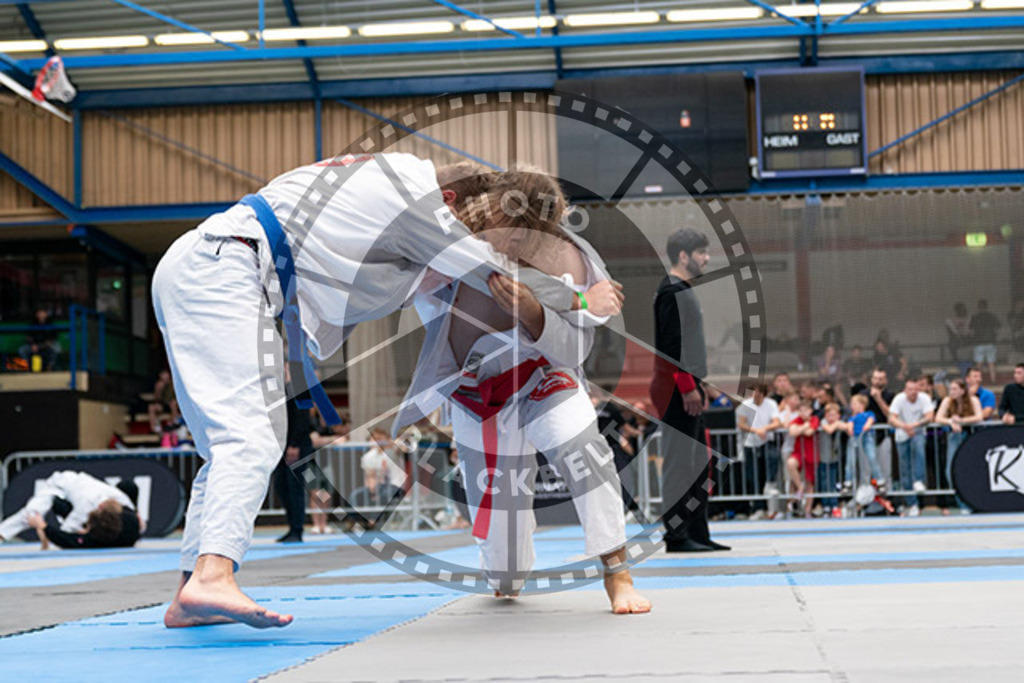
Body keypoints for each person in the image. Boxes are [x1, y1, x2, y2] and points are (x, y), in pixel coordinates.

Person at [152, 153, 624, 629]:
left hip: (204, 264)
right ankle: (212, 575)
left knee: (227, 447)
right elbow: (492, 268)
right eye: (466, 219)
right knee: (250, 439)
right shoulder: (419, 203)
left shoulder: (386, 170)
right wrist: (580, 298)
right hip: (227, 270)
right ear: (449, 200)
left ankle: (189, 590)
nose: (466, 229)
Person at [396, 166, 647, 613]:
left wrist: (545, 312)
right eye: (505, 227)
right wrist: (579, 299)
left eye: (524, 236)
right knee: (506, 572)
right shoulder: (452, 248)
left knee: (583, 448)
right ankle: (505, 567)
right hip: (477, 394)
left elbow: (577, 342)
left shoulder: (573, 257)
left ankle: (617, 571)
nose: (510, 243)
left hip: (544, 377)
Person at [650, 228, 728, 552]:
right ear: (684, 255)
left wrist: (701, 383)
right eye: (701, 253)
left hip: (687, 384)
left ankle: (698, 532)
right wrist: (686, 386)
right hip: (674, 388)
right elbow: (671, 345)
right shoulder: (671, 291)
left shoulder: (683, 290)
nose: (706, 258)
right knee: (680, 462)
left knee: (698, 462)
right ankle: (677, 535)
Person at [0, 471, 140, 549]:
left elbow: (137, 521)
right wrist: (42, 527)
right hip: (59, 485)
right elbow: (66, 534)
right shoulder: (84, 506)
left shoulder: (124, 501)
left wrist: (86, 532)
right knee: (30, 514)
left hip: (80, 489)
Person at [934, 378, 982, 514]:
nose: (951, 392)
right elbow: (937, 418)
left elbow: (979, 417)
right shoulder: (947, 401)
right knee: (950, 470)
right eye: (950, 389)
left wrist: (962, 421)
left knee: (971, 470)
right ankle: (962, 503)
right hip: (954, 438)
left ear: (962, 390)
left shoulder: (973, 400)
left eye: (955, 389)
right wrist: (950, 421)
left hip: (971, 437)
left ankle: (974, 501)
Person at [888, 378, 935, 517]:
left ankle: (919, 480)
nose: (913, 392)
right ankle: (912, 503)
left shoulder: (924, 398)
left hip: (917, 432)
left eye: (915, 389)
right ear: (905, 390)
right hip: (902, 436)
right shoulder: (899, 399)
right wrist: (904, 426)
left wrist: (914, 425)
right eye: (910, 389)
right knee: (904, 469)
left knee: (919, 447)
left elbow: (929, 416)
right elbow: (892, 418)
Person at [272, 392, 314, 544]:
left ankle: (297, 530)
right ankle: (292, 527)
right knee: (281, 486)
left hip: (297, 445)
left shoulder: (299, 389)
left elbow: (302, 419)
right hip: (283, 444)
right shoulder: (280, 389)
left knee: (294, 487)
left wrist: (294, 445)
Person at [736, 383, 782, 519]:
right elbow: (741, 423)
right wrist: (756, 430)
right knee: (754, 476)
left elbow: (777, 422)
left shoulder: (771, 404)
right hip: (751, 444)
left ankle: (771, 504)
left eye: (759, 392)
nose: (756, 394)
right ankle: (758, 507)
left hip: (767, 442)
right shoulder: (746, 404)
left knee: (770, 467)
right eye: (754, 391)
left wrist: (765, 429)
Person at [843, 394, 884, 492]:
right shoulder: (852, 417)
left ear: (861, 405)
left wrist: (868, 424)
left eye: (854, 403)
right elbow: (850, 424)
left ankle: (880, 480)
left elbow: (871, 419)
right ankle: (848, 482)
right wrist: (849, 428)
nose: (851, 406)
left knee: (872, 457)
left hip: (867, 437)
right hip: (855, 438)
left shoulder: (868, 414)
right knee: (850, 461)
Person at [360, 427, 408, 508]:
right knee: (358, 496)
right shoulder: (368, 456)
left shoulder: (392, 451)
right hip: (378, 487)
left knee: (385, 494)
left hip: (395, 486)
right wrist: (372, 492)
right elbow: (370, 477)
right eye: (375, 439)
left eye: (380, 439)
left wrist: (392, 443)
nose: (377, 442)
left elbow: (404, 448)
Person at [787, 400, 819, 518]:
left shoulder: (815, 419)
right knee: (791, 463)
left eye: (805, 410)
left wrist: (802, 428)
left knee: (810, 483)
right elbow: (792, 432)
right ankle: (800, 487)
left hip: (811, 454)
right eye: (800, 411)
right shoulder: (798, 420)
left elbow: (809, 432)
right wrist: (805, 426)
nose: (803, 413)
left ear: (810, 411)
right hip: (798, 453)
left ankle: (807, 510)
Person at [818, 402, 846, 516]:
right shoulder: (823, 422)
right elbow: (829, 429)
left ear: (838, 416)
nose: (831, 418)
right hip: (824, 458)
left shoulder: (840, 423)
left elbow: (847, 427)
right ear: (825, 415)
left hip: (834, 458)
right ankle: (826, 505)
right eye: (829, 415)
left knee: (834, 482)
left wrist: (838, 423)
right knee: (825, 482)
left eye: (834, 415)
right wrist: (836, 424)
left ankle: (834, 504)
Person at [971, 299, 1002, 384]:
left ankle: (978, 381)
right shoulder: (991, 317)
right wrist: (995, 336)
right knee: (991, 363)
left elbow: (971, 331)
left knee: (979, 364)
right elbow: (997, 328)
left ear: (979, 307)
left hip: (979, 343)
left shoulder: (975, 317)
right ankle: (993, 380)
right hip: (990, 342)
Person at [148, 369, 181, 433]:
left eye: (166, 374)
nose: (165, 376)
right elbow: (157, 398)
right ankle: (154, 428)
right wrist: (160, 388)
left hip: (172, 404)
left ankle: (173, 423)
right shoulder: (159, 384)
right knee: (151, 407)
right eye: (163, 374)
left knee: (173, 403)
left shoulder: (173, 383)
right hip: (163, 404)